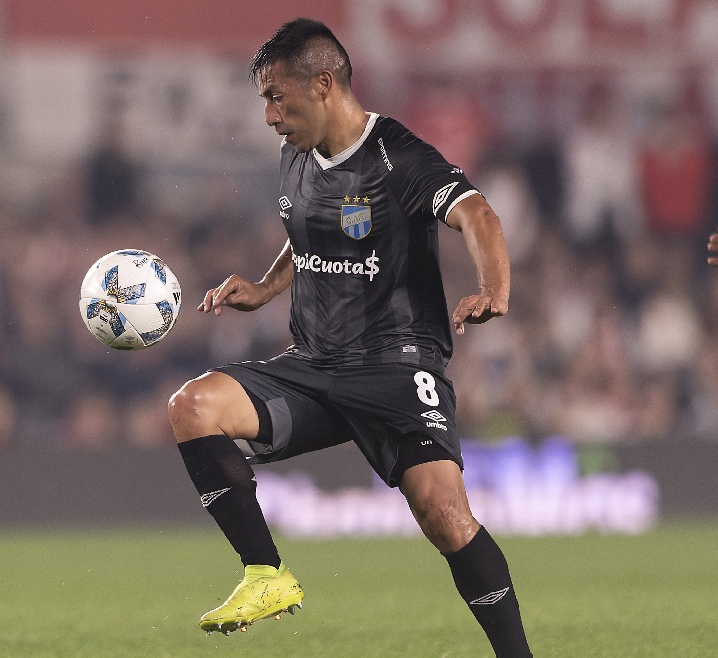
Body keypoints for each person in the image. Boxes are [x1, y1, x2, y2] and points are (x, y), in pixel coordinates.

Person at [167, 19, 531, 656]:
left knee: (445, 518)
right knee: (193, 407)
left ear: (324, 84)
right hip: (314, 365)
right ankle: (265, 574)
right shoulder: (296, 156)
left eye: (277, 97)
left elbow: (477, 212)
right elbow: (311, 231)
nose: (269, 115)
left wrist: (494, 287)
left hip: (397, 364)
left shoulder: (397, 154)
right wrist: (263, 286)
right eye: (264, 100)